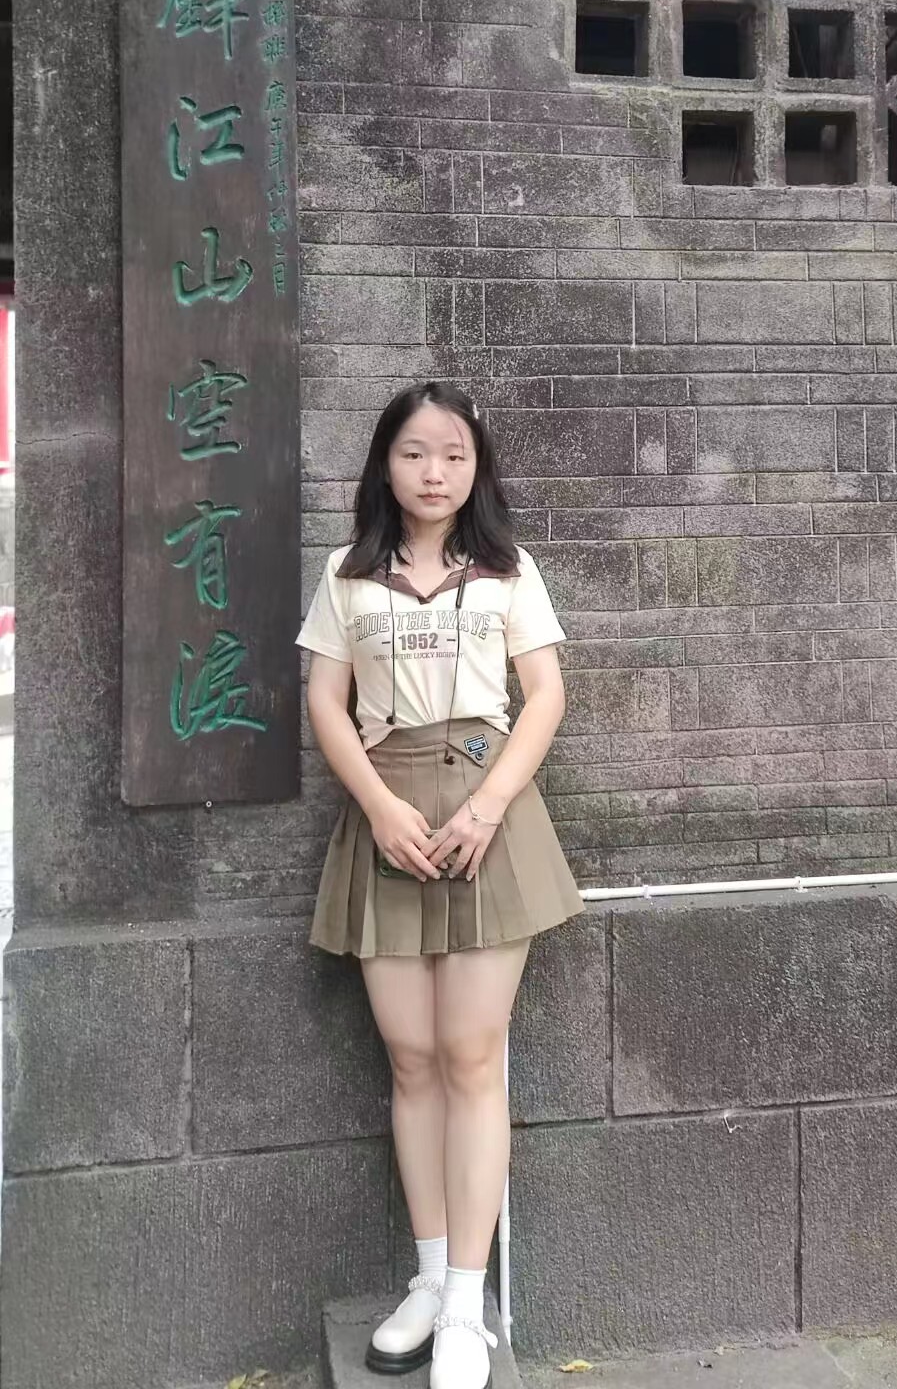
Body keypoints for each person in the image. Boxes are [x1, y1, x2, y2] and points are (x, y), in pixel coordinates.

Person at [297, 380, 584, 1387]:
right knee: (412, 1059)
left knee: (470, 1055)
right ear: (386, 464)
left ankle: (467, 1300)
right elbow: (325, 701)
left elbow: (544, 694)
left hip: (485, 816)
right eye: (416, 453)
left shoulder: (508, 570)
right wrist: (378, 806)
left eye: (454, 455)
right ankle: (427, 1279)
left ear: (477, 468)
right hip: (390, 818)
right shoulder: (348, 574)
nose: (435, 472)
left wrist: (490, 805)